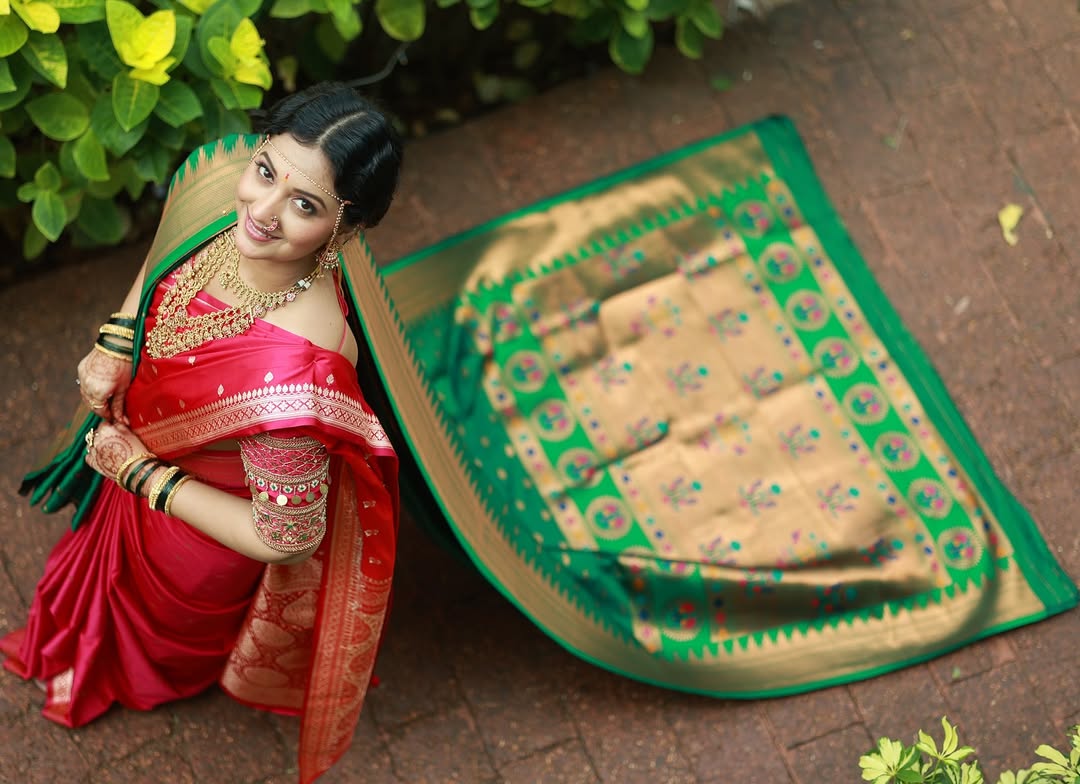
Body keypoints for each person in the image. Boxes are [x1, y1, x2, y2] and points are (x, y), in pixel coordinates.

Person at [1, 83, 404, 783]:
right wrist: (117, 340)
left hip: (193, 532)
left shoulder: (296, 371)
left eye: (305, 206)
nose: (263, 211)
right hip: (138, 457)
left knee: (156, 635)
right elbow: (167, 249)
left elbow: (287, 536)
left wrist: (141, 475)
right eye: (266, 171)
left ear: (344, 230)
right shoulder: (229, 199)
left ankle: (144, 682)